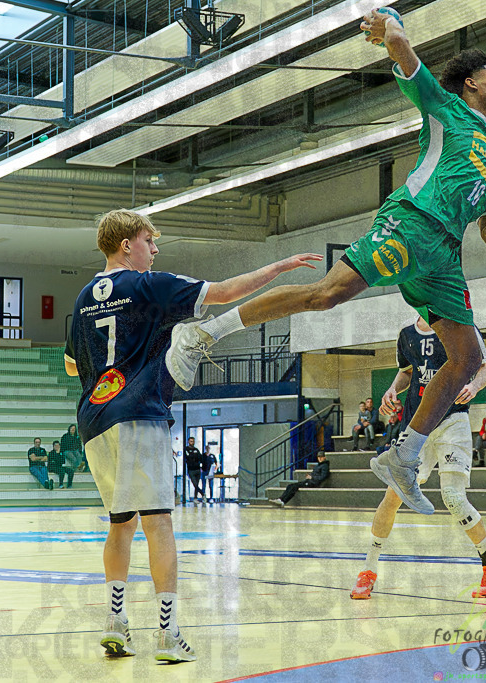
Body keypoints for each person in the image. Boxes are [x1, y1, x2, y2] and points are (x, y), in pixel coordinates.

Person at [165, 10, 486, 518]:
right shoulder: (446, 109)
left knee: (467, 359)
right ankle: (202, 334)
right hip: (413, 222)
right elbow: (403, 51)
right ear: (471, 83)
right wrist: (390, 21)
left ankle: (403, 455)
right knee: (326, 295)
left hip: (444, 255)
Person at [65, 208, 320, 663]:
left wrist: (114, 369)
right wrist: (277, 266)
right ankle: (168, 633)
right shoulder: (147, 284)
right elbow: (225, 291)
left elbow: (71, 363)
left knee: (119, 525)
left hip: (94, 420)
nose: (155, 249)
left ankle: (116, 624)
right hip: (139, 412)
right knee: (158, 523)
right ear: (127, 244)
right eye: (149, 240)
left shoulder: (85, 297)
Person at [351, 316, 486, 600]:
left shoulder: (461, 326)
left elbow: (483, 371)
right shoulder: (406, 334)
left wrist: (474, 387)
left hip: (452, 419)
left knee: (453, 497)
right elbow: (407, 373)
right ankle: (368, 570)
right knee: (392, 496)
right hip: (417, 424)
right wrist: (391, 389)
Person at [184, 437, 207, 503]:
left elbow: (200, 458)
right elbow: (188, 458)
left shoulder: (196, 450)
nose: (192, 443)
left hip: (197, 470)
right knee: (195, 484)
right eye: (191, 441)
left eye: (193, 441)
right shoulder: (186, 449)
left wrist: (202, 467)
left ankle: (195, 498)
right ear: (188, 442)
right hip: (191, 470)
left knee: (197, 484)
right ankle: (203, 494)